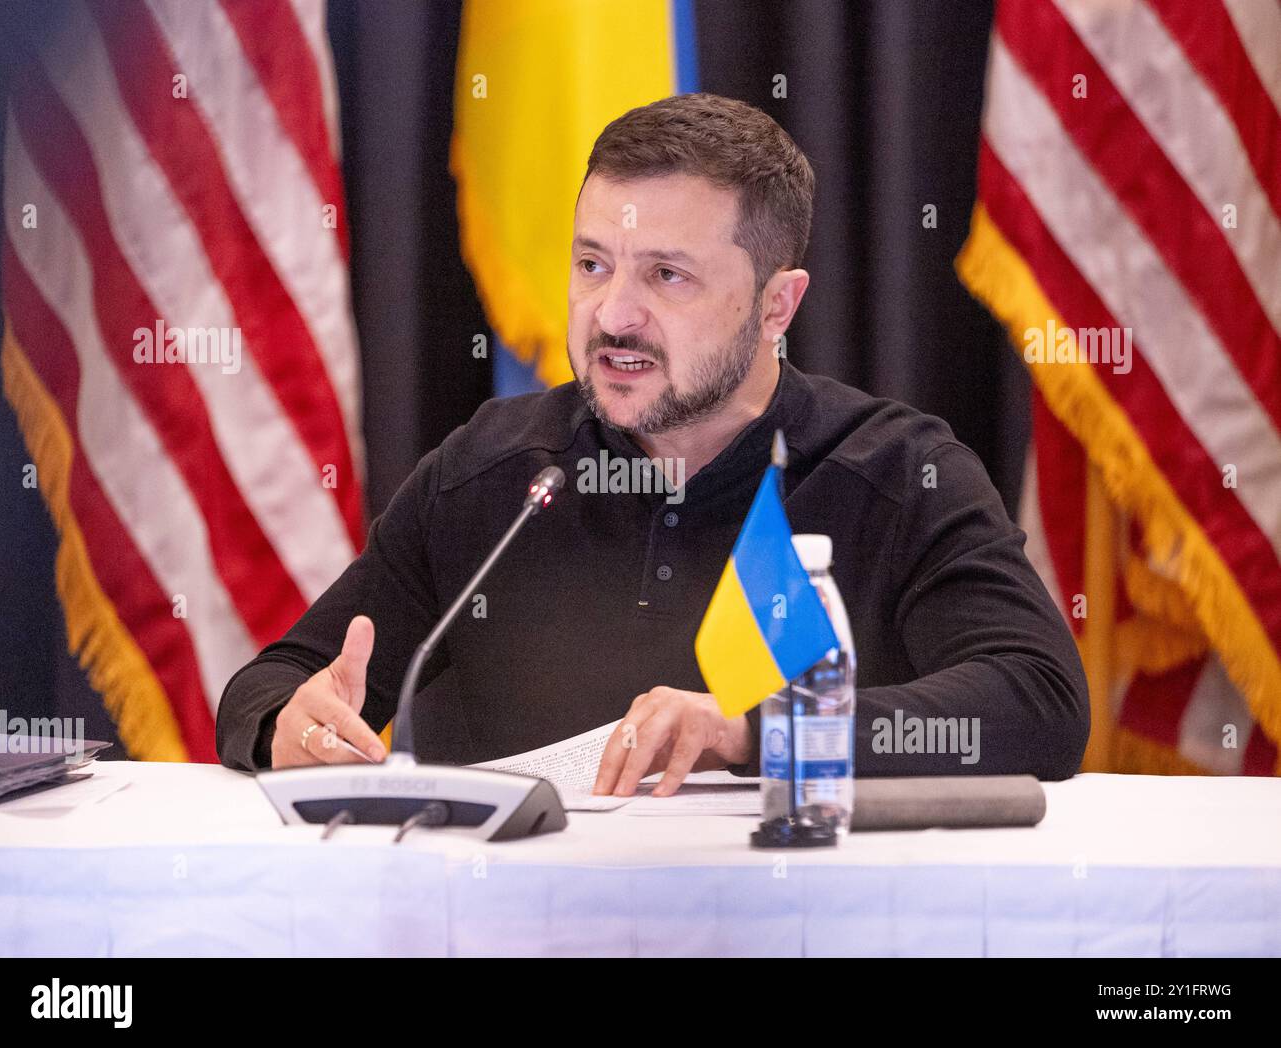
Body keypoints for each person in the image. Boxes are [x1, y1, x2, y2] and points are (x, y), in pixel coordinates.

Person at [216, 93, 1088, 794]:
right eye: (593, 265)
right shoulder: (494, 471)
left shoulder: (896, 473)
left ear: (778, 306)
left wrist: (755, 730)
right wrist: (287, 721)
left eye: (666, 276)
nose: (614, 315)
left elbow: (1039, 701)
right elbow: (273, 681)